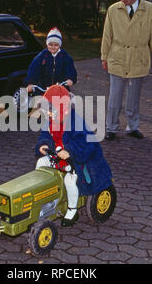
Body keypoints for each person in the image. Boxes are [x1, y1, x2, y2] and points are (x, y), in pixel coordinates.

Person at [35, 85, 112, 227]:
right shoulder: (50, 122)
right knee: (41, 163)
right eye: (46, 111)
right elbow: (45, 135)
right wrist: (44, 144)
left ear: (62, 110)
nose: (48, 115)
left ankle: (72, 210)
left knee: (71, 180)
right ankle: (45, 198)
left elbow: (87, 145)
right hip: (57, 156)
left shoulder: (77, 123)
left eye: (51, 111)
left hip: (78, 161)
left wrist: (70, 151)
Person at [101, 0, 152, 141]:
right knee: (114, 97)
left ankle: (133, 127)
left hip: (138, 59)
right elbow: (107, 36)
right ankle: (111, 128)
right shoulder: (113, 10)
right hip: (117, 59)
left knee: (133, 98)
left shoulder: (150, 10)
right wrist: (104, 56)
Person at [24, 28, 77, 93]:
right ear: (47, 44)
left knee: (65, 101)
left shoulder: (65, 57)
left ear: (60, 45)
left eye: (56, 45)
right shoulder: (42, 56)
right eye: (50, 44)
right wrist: (30, 83)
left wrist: (70, 79)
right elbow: (33, 69)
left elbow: (70, 69)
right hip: (43, 88)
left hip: (60, 88)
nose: (53, 47)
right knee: (39, 102)